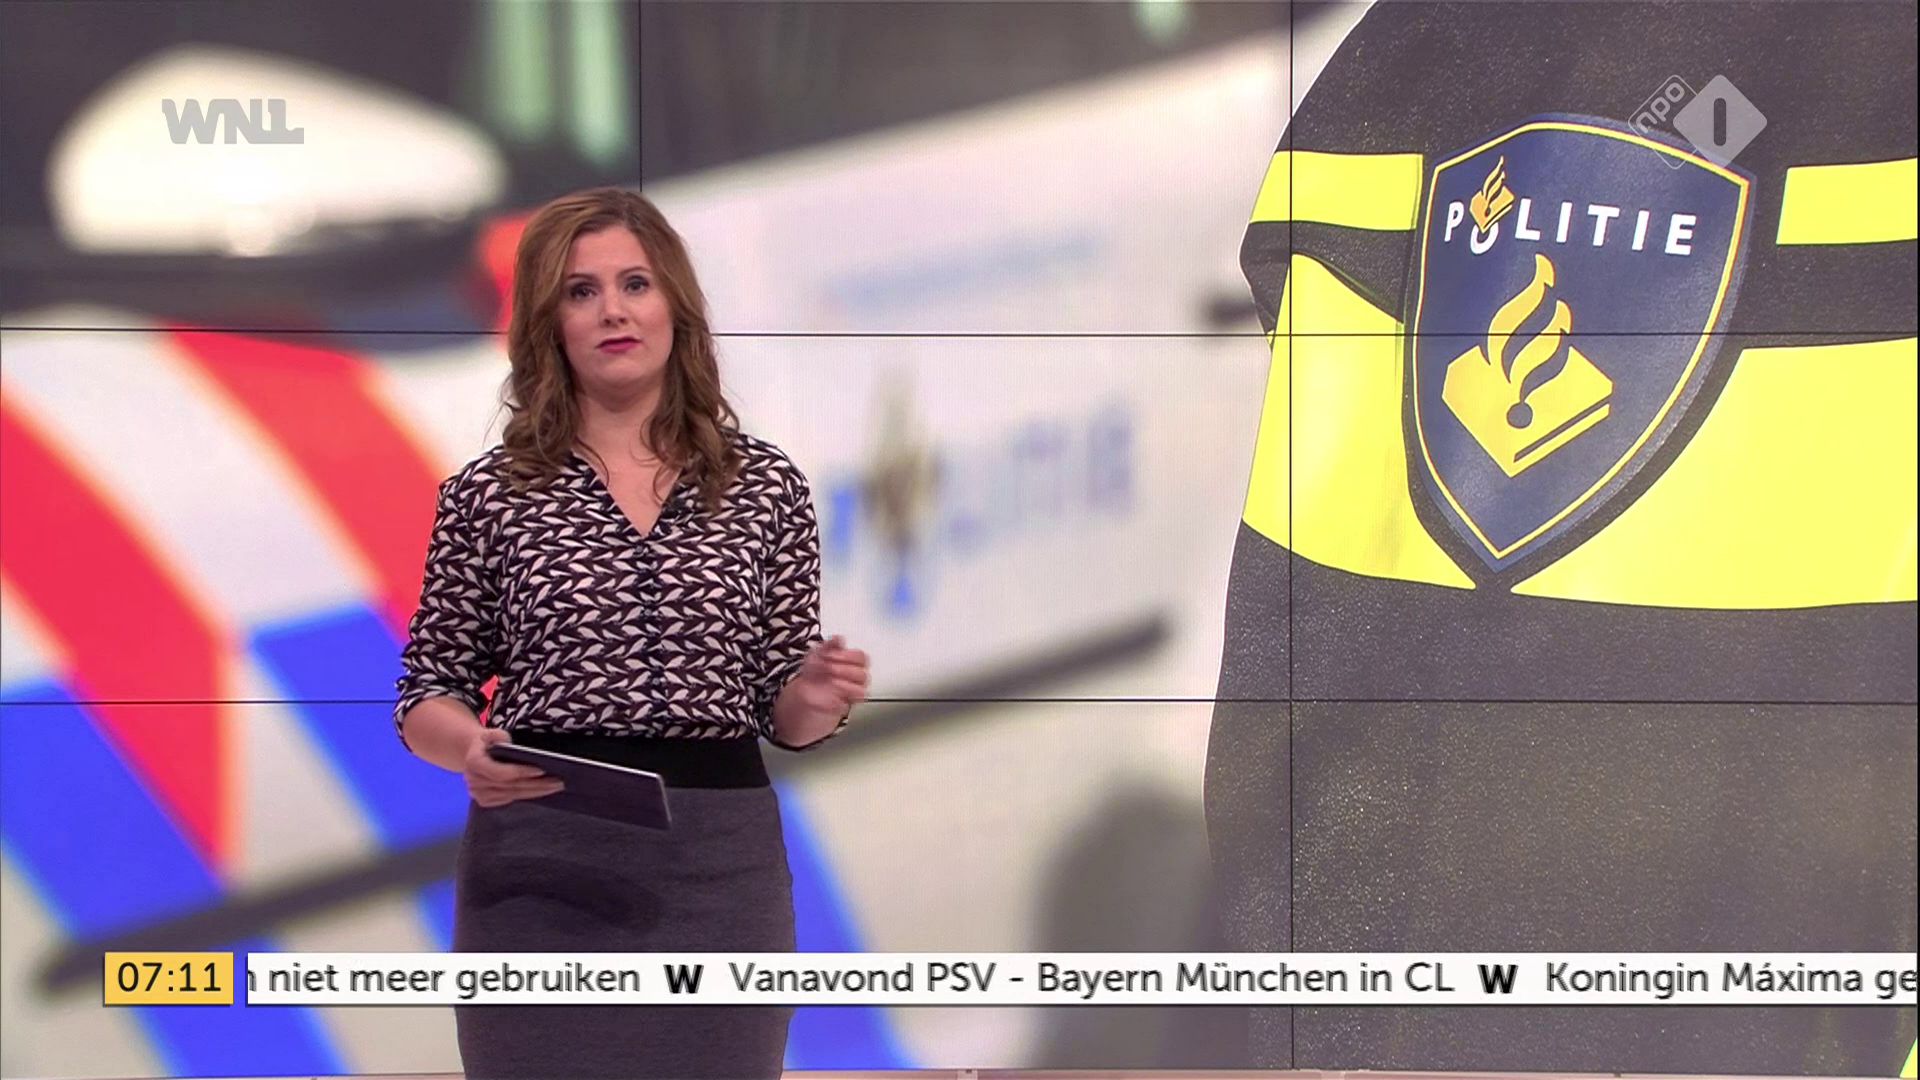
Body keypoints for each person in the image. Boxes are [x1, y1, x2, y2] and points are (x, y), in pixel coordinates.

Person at [393, 186, 871, 1079]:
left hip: (720, 871)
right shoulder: (490, 495)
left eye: (635, 284)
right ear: (550, 325)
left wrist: (812, 696)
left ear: (674, 308)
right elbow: (429, 693)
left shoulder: (764, 488)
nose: (613, 310)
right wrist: (470, 750)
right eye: (581, 291)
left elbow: (786, 715)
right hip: (542, 871)